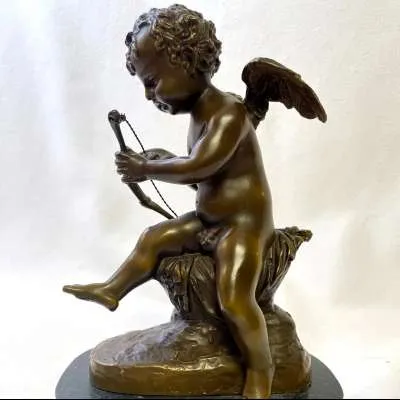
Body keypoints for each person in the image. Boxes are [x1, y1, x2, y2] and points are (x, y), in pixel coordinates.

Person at [63, 5, 276, 398]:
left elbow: (200, 165)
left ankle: (261, 370)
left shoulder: (228, 113)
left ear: (187, 63)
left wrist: (147, 167)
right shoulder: (202, 114)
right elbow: (202, 174)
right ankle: (112, 289)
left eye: (153, 81)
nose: (149, 95)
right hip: (210, 220)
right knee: (153, 237)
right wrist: (161, 160)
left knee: (234, 298)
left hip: (242, 227)